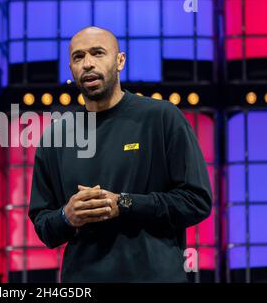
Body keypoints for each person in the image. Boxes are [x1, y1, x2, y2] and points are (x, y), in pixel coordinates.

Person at [28, 26, 212, 282]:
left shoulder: (161, 117)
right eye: (78, 57)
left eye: (98, 53)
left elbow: (196, 201)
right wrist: (66, 216)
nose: (88, 64)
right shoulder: (56, 136)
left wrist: (124, 204)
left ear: (120, 61)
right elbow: (44, 225)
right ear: (71, 68)